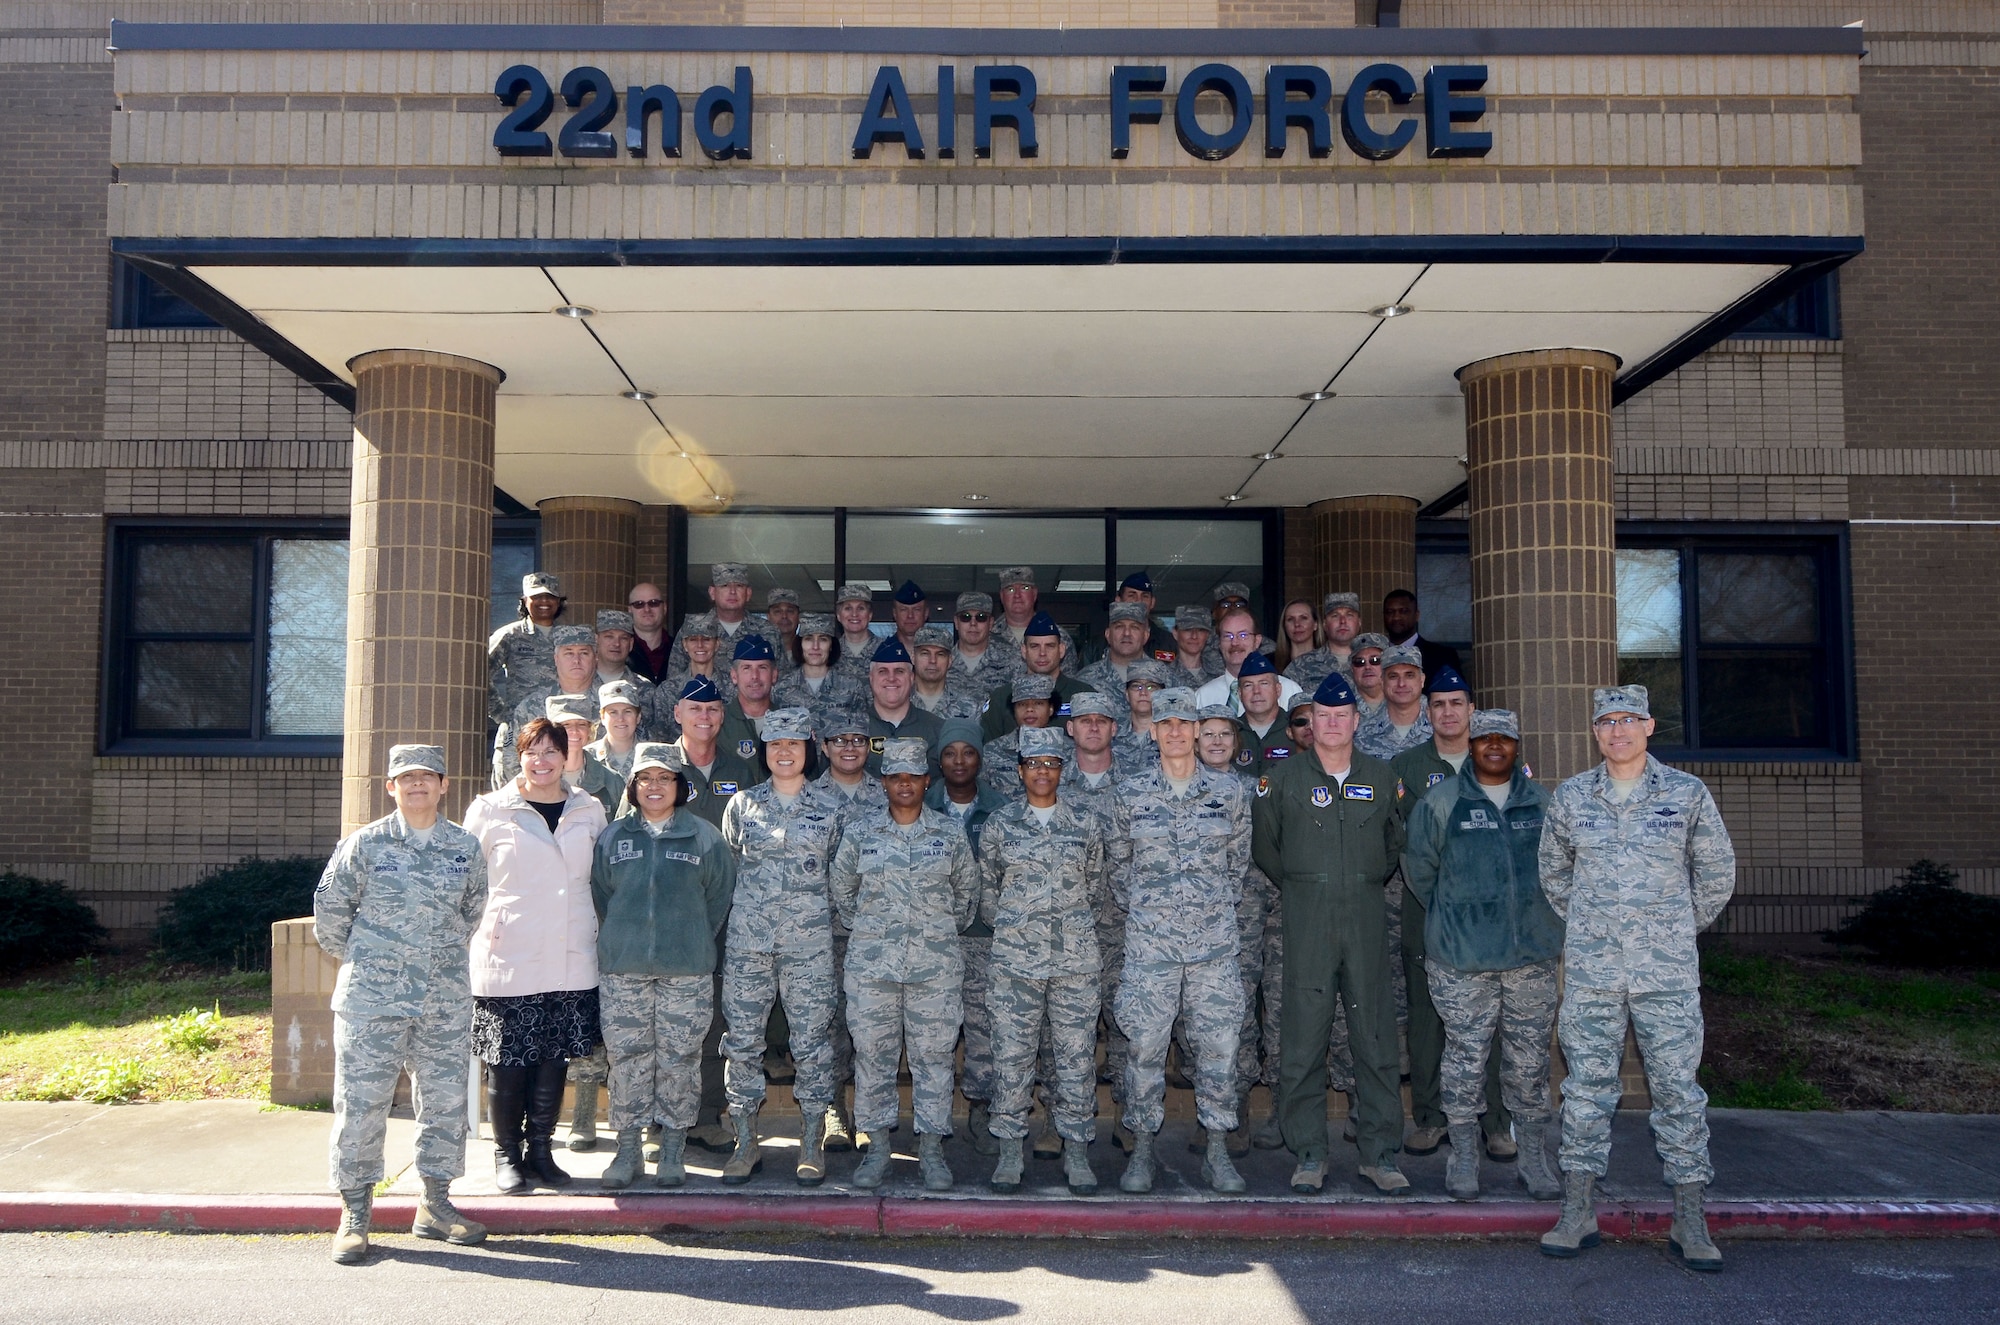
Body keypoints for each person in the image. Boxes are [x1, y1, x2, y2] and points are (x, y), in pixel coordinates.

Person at [1538, 685, 1736, 1269]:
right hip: (1594, 975)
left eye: (1629, 720)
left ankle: (1690, 1219)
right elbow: (1553, 874)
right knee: (1585, 1092)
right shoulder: (1573, 796)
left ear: (1649, 726)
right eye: (1606, 722)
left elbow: (1716, 872)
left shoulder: (1686, 793)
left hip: (1666, 976)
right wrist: (1594, 927)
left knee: (1678, 1092)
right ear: (1595, 732)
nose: (1617, 730)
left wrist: (1671, 928)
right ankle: (1577, 1213)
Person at [315, 744, 488, 1265]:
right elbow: (330, 916)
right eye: (405, 778)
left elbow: (472, 911)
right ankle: (356, 1216)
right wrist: (376, 961)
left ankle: (435, 1206)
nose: (417, 786)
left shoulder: (465, 847)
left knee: (443, 1105)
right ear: (389, 787)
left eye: (426, 777)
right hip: (373, 1001)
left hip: (443, 1001)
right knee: (361, 1108)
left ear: (443, 784)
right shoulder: (364, 845)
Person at [1252, 671, 1410, 1196]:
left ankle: (1380, 1151)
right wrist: (1306, 884)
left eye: (1342, 715)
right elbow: (1267, 848)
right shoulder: (1284, 781)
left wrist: (1360, 880)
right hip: (1307, 916)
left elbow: (1393, 846)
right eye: (1323, 715)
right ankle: (1309, 1152)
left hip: (1364, 914)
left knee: (1376, 1037)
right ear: (1310, 722)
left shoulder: (1383, 777)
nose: (1333, 722)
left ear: (1356, 721)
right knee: (1303, 1037)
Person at [1401, 709, 1564, 1203]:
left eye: (1506, 739)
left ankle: (1532, 1156)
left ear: (1518, 746)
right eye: (1485, 738)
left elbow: (1562, 872)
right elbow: (1420, 871)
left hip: (1530, 959)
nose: (1495, 745)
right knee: (1465, 1062)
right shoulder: (1442, 801)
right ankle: (1464, 1156)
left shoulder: (1543, 803)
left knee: (1529, 1064)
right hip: (1462, 961)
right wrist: (1459, 914)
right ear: (1470, 745)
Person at [1109, 686, 1252, 1195]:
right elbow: (1117, 870)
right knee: (1145, 1049)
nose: (1173, 731)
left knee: (1219, 1048)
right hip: (1151, 950)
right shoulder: (1128, 794)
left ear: (1196, 730)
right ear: (1152, 731)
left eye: (1182, 723)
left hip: (1214, 948)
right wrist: (1155, 914)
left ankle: (1216, 1152)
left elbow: (1238, 868)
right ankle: (1142, 1151)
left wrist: (1205, 911)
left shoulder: (1230, 793)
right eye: (1164, 723)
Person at [464, 717, 608, 1195]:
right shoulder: (489, 810)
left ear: (567, 755)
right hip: (512, 954)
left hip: (570, 953)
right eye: (532, 751)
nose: (542, 761)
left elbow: (602, 879)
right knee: (508, 1058)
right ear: (519, 756)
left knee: (554, 1057)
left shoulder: (589, 809)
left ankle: (541, 1152)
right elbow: (467, 884)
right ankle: (507, 1155)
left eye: (552, 751)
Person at [831, 737, 982, 1191]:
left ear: (925, 781)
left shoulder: (949, 833)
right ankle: (877, 1150)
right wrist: (876, 932)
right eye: (895, 776)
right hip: (873, 969)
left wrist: (931, 934)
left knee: (933, 1060)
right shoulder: (861, 832)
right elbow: (843, 892)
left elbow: (966, 897)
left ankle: (932, 1152)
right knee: (873, 1059)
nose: (904, 785)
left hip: (934, 969)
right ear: (884, 782)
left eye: (912, 778)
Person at [591, 741, 736, 1191]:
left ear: (681, 786)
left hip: (686, 970)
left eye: (665, 778)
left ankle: (673, 1148)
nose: (655, 787)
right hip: (625, 968)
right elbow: (602, 898)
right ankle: (629, 1149)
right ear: (633, 787)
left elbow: (718, 901)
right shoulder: (614, 837)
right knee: (628, 1060)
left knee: (680, 1060)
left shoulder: (705, 837)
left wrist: (686, 937)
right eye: (646, 779)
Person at [1389, 666, 1513, 1162]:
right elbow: (1401, 840)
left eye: (1456, 703)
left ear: (1472, 711)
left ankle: (1496, 1122)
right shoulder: (1405, 767)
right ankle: (1431, 1117)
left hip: (1489, 916)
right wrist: (1439, 897)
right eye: (1438, 704)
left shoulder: (1497, 762)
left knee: (1493, 1016)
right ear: (1427, 710)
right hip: (1428, 909)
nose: (1447, 712)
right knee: (1426, 1016)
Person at [978, 725, 1109, 1195]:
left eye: (1051, 764)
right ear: (1019, 771)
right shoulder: (1000, 825)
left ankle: (1076, 1152)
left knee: (1075, 1062)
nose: (1042, 772)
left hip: (1075, 963)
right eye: (1033, 764)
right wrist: (1019, 928)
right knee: (1012, 1059)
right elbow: (986, 891)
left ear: (1062, 770)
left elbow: (1094, 886)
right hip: (1015, 964)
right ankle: (1010, 1151)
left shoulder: (1085, 823)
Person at [718, 708, 846, 1187]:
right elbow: (731, 865)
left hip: (809, 947)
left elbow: (842, 875)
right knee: (745, 1043)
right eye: (775, 745)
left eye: (794, 744)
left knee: (812, 1045)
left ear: (808, 748)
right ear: (765, 750)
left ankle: (811, 1142)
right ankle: (746, 1141)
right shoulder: (743, 806)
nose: (785, 752)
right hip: (750, 947)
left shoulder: (832, 808)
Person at [925, 718, 1009, 1159]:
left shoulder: (1001, 809)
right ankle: (932, 1120)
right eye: (950, 753)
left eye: (968, 752)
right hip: (932, 938)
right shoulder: (919, 805)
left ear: (980, 758)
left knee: (982, 1028)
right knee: (934, 1030)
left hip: (983, 938)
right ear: (938, 761)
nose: (959, 761)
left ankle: (980, 1108)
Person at [812, 707, 885, 1154]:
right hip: (819, 929)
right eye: (840, 740)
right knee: (828, 1023)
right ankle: (833, 1111)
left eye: (859, 739)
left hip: (875, 930)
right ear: (824, 747)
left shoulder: (887, 794)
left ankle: (867, 1114)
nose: (850, 747)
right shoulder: (807, 795)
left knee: (871, 1025)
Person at [493, 624, 599, 787]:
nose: (576, 660)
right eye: (568, 653)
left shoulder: (610, 706)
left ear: (595, 658)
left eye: (584, 653)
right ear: (556, 659)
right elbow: (511, 759)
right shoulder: (530, 707)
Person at [981, 612, 1092, 740]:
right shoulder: (1001, 698)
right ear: (1024, 651)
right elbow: (988, 750)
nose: (1042, 653)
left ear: (1061, 650)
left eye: (1050, 646)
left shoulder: (1084, 694)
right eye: (1034, 646)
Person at [665, 562, 788, 676]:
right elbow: (674, 679)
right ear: (712, 592)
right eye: (724, 586)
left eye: (739, 586)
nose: (732, 592)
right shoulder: (692, 629)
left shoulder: (768, 631)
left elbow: (782, 681)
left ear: (748, 593)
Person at [488, 571, 564, 729]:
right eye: (536, 596)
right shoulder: (509, 635)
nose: (544, 601)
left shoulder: (567, 637)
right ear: (524, 600)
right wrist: (500, 713)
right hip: (518, 726)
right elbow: (479, 675)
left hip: (559, 726)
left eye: (550, 596)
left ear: (558, 601)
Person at [1195, 609, 1302, 716]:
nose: (1235, 643)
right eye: (1228, 636)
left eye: (1242, 635)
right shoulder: (1204, 697)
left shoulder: (1288, 690)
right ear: (1219, 643)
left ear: (1257, 641)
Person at [863, 636, 946, 774]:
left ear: (912, 678)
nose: (891, 678)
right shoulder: (855, 729)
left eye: (899, 671)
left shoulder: (937, 729)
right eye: (883, 671)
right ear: (871, 678)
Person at [978, 673, 1057, 800]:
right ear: (1013, 710)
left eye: (1038, 703)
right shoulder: (992, 751)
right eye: (1022, 704)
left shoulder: (1069, 750)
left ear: (1051, 709)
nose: (1029, 709)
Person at [659, 613, 735, 739]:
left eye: (706, 639)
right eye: (693, 639)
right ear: (684, 644)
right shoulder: (667, 691)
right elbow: (661, 738)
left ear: (717, 644)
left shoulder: (733, 689)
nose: (700, 645)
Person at [994, 566, 1081, 676]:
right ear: (1002, 596)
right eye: (1010, 589)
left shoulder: (1060, 636)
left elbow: (1067, 683)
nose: (1017, 595)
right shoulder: (986, 636)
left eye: (1024, 588)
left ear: (1034, 594)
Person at [547, 693, 622, 817]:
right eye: (566, 725)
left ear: (590, 730)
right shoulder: (537, 776)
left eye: (581, 724)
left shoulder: (611, 781)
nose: (575, 731)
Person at [773, 613, 864, 713]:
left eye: (823, 639)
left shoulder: (852, 686)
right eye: (808, 639)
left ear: (831, 646)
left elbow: (863, 725)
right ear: (800, 644)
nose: (815, 646)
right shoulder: (781, 688)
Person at [1075, 601, 1153, 715]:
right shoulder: (1085, 679)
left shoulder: (1165, 678)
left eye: (1134, 627)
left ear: (1146, 636)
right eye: (1119, 627)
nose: (1126, 633)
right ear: (1108, 635)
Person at [1358, 643, 1432, 760]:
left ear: (1422, 680)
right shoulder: (1362, 733)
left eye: (1409, 675)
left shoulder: (1440, 726)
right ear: (1382, 681)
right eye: (1393, 676)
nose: (1401, 684)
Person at [716, 634, 779, 760]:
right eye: (747, 668)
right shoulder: (718, 721)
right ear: (734, 676)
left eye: (762, 668)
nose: (755, 676)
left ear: (774, 675)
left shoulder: (789, 721)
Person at [1284, 592, 1362, 691]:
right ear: (1324, 624)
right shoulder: (1300, 666)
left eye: (1349, 615)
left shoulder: (1375, 662)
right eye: (1335, 616)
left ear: (1359, 622)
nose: (1343, 621)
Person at [1383, 587, 1464, 682]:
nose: (1396, 617)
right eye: (1390, 612)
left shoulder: (1443, 656)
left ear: (1417, 615)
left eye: (1403, 611)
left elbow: (1458, 694)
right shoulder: (1375, 658)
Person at [949, 590, 1019, 694]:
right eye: (965, 617)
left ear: (990, 623)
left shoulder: (1013, 661)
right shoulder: (940, 662)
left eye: (981, 617)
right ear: (956, 622)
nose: (973, 623)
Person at [910, 623, 982, 720]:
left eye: (940, 654)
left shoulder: (969, 707)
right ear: (913, 658)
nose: (932, 660)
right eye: (925, 653)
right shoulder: (899, 703)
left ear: (950, 661)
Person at [1113, 660, 1167, 777]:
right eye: (1136, 686)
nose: (1143, 692)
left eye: (1151, 687)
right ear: (1127, 694)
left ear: (1162, 693)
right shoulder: (1111, 732)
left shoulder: (1172, 733)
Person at [588, 679, 645, 786]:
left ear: (638, 717)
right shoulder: (587, 757)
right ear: (602, 717)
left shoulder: (651, 755)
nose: (620, 719)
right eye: (613, 712)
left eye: (627, 711)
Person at [1115, 570, 1179, 662]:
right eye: (1132, 595)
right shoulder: (1100, 644)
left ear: (1152, 603)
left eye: (1145, 596)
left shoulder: (1170, 643)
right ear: (1119, 601)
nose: (1139, 601)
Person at [625, 582, 672, 685]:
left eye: (653, 603)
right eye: (639, 604)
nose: (647, 609)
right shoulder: (620, 650)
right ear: (630, 610)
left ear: (664, 608)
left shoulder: (680, 649)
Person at [832, 583, 880, 680]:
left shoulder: (885, 649)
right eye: (848, 608)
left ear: (870, 615)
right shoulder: (830, 651)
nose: (854, 614)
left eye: (861, 608)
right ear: (838, 615)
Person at [1165, 604, 1219, 689]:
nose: (1194, 636)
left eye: (1200, 630)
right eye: (1188, 630)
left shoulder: (1219, 674)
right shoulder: (1164, 676)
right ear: (1175, 633)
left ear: (1208, 635)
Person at [1271, 597, 1320, 676]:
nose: (1297, 624)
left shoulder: (1329, 660)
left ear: (1315, 624)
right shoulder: (1269, 663)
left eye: (1303, 618)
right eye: (1290, 619)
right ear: (1284, 626)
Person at [1348, 633, 1391, 721]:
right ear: (1352, 669)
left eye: (1375, 660)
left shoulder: (1407, 701)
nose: (1367, 667)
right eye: (1359, 662)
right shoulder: (1341, 704)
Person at [764, 587, 803, 666]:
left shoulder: (810, 651)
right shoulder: (758, 649)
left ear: (799, 617)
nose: (784, 616)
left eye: (790, 611)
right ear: (768, 617)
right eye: (777, 611)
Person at [890, 579, 929, 654]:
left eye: (916, 609)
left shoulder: (937, 653)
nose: (910, 615)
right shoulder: (881, 651)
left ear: (926, 613)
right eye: (904, 609)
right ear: (895, 614)